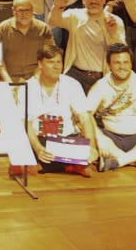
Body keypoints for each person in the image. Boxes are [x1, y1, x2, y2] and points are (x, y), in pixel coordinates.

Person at [23, 43, 95, 176]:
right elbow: (26, 123)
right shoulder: (28, 86)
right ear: (40, 64)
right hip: (39, 139)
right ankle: (65, 164)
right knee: (24, 147)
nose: (56, 66)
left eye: (59, 62)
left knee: (82, 148)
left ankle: (49, 165)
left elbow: (85, 118)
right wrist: (38, 148)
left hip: (65, 139)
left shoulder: (72, 84)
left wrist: (90, 147)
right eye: (51, 62)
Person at [48, 0, 127, 93]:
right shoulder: (74, 16)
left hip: (103, 78)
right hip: (76, 75)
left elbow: (122, 53)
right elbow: (53, 21)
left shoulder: (114, 21)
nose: (93, 1)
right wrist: (57, 7)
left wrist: (113, 33)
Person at [0, 0, 51, 83]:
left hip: (36, 78)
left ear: (33, 10)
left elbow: (49, 56)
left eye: (27, 10)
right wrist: (9, 82)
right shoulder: (2, 29)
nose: (24, 14)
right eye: (20, 10)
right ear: (13, 11)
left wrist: (35, 80)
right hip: (8, 78)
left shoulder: (43, 28)